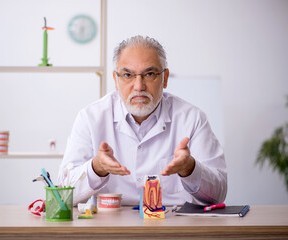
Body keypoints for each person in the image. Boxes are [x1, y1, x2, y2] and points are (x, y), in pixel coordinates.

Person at [58, 35, 227, 206]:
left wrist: (190, 169)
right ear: (116, 80)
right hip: (110, 227)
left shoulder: (192, 118)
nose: (139, 86)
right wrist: (96, 168)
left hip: (172, 227)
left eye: (149, 74)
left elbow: (219, 195)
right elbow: (62, 194)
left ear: (165, 78)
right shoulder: (90, 118)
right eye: (128, 75)